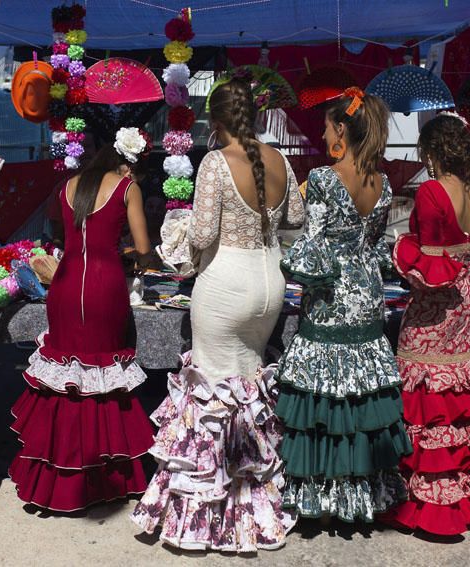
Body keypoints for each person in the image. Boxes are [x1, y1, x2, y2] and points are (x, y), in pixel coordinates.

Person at [132, 77, 302, 552]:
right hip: (269, 282)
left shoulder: (215, 161)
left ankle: (210, 518)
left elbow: (203, 234)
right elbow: (296, 219)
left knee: (211, 394)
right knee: (247, 390)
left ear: (218, 120)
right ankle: (252, 505)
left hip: (226, 282)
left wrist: (178, 233)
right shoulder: (279, 159)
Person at [275, 88, 412, 523]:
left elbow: (312, 242)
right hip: (368, 291)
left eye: (327, 124)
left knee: (326, 391)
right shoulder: (383, 181)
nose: (322, 129)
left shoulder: (323, 178)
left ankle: (323, 496)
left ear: (342, 129)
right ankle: (364, 491)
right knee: (360, 389)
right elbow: (374, 242)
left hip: (331, 291)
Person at [9, 127, 155, 512]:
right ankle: (104, 477)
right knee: (103, 380)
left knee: (66, 379)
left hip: (66, 284)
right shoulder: (127, 188)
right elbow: (143, 249)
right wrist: (139, 259)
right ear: (127, 163)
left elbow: (64, 234)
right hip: (106, 288)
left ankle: (55, 476)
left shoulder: (68, 186)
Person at [386, 112, 470, 535]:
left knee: (424, 393)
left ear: (432, 151)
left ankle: (427, 501)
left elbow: (425, 256)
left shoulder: (430, 191)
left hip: (434, 302)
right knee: (457, 392)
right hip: (466, 299)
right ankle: (466, 492)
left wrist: (399, 245)